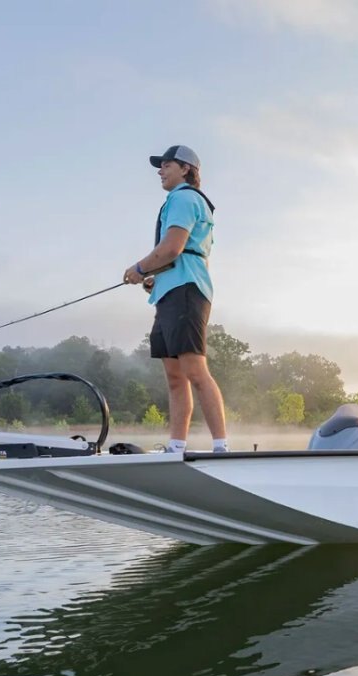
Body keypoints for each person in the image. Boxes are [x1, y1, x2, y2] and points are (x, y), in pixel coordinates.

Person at [122, 145, 228, 453]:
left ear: (185, 169)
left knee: (195, 371)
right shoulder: (180, 200)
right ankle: (176, 447)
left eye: (167, 164)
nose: (160, 170)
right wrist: (153, 278)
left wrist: (139, 268)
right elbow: (177, 254)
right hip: (171, 291)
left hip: (186, 291)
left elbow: (172, 248)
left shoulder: (183, 198)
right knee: (175, 377)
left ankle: (221, 447)